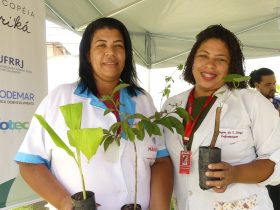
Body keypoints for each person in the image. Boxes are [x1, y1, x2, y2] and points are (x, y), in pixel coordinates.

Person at [15, 17, 173, 210]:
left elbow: (161, 161)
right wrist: (65, 203)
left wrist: (159, 207)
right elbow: (30, 164)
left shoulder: (142, 100)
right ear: (88, 54)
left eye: (118, 45)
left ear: (126, 54)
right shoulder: (61, 98)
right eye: (101, 45)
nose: (110, 52)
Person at [162, 24, 280, 210]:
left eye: (220, 59)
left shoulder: (251, 102)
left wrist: (235, 173)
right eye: (203, 56)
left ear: (231, 67)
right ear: (192, 60)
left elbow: (276, 159)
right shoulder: (172, 105)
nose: (210, 64)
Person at [249, 67, 280, 209]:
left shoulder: (277, 102)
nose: (273, 87)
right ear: (256, 85)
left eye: (274, 83)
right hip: (260, 168)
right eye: (268, 85)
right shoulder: (248, 107)